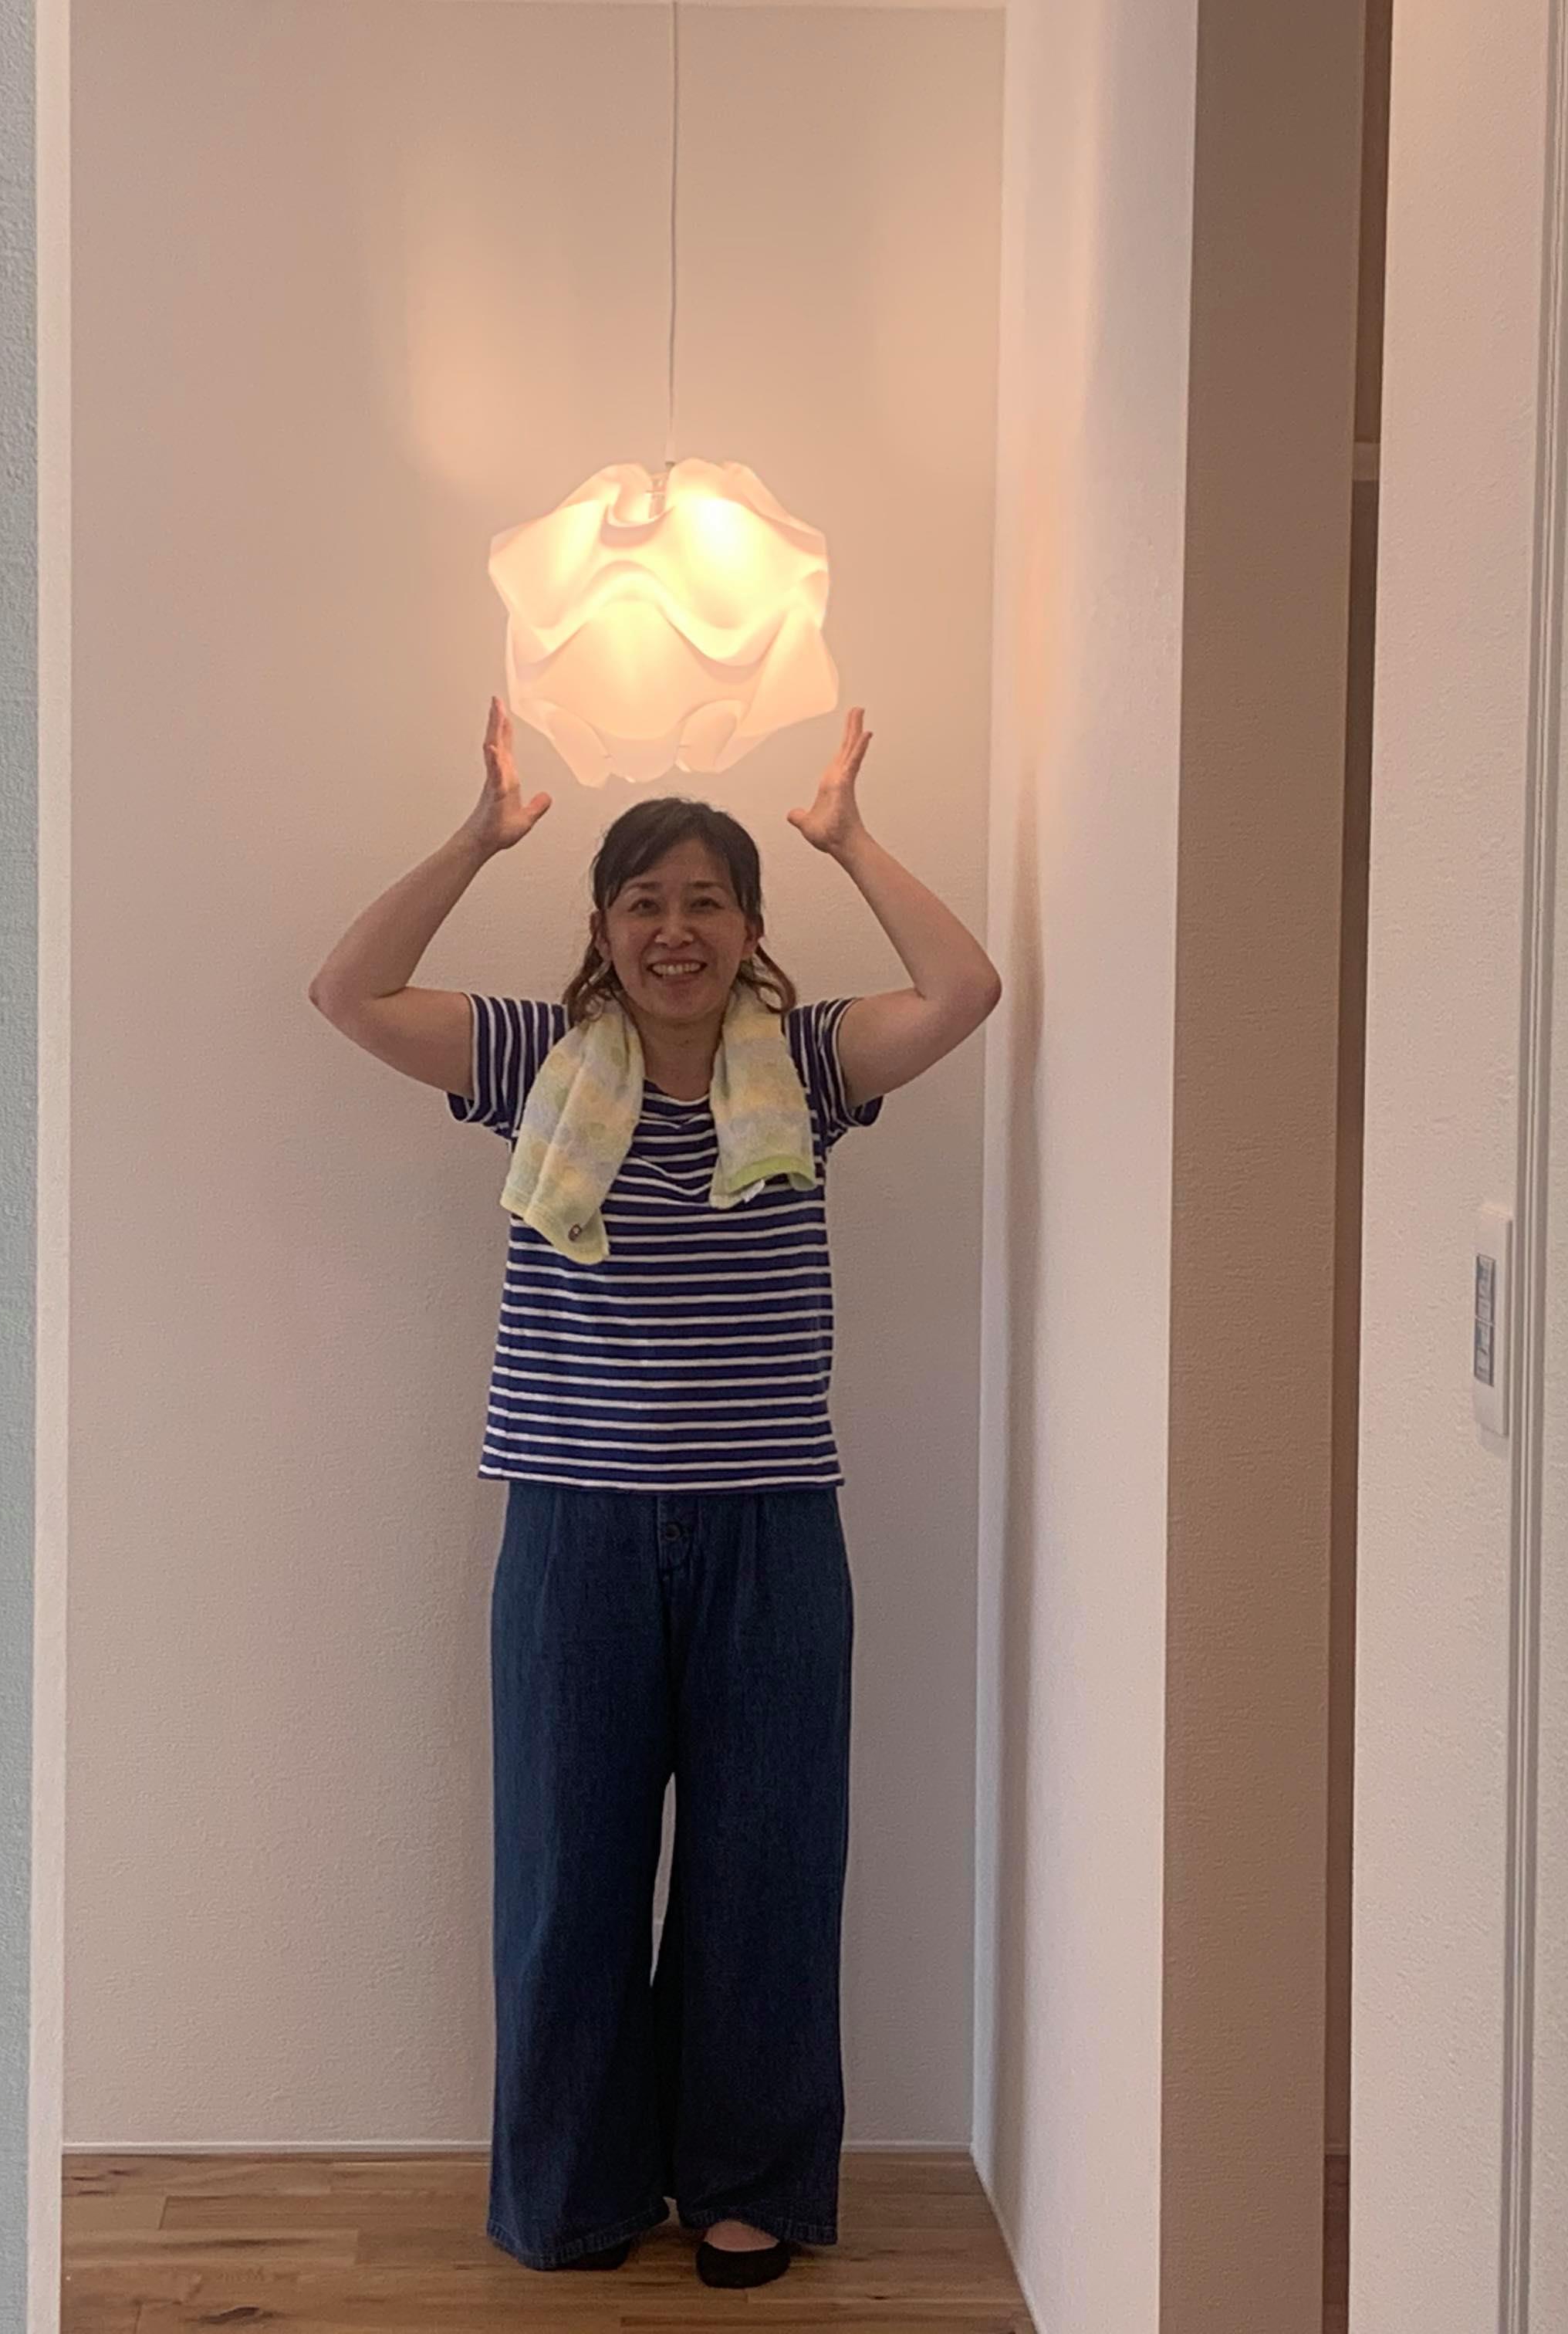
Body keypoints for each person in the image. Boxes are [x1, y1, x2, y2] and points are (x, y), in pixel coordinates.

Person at [306, 700, 1001, 2288]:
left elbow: (965, 989)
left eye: (705, 902)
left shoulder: (808, 1065)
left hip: (772, 1524)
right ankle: (577, 2190)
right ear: (603, 928)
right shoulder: (533, 1061)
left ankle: (748, 2185)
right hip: (575, 1526)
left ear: (750, 928)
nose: (673, 930)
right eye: (643, 902)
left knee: (768, 1866)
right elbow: (347, 991)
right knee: (570, 1873)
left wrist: (848, 838)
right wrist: (479, 835)